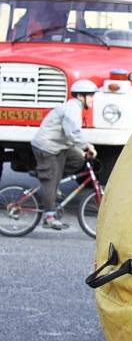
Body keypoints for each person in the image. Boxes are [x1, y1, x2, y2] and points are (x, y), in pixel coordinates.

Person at [30, 79, 98, 230]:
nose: (93, 99)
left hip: (58, 146)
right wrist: (87, 146)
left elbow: (70, 136)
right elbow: (72, 132)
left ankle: (47, 175)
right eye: (91, 96)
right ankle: (49, 217)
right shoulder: (72, 108)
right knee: (51, 181)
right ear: (81, 96)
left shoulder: (75, 108)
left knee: (78, 158)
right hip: (47, 147)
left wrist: (83, 151)